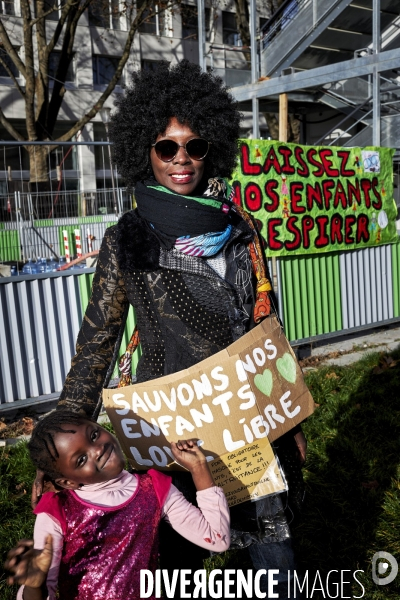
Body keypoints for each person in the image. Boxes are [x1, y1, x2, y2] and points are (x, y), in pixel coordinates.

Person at [32, 59, 306, 598]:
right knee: (175, 565)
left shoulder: (240, 227)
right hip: (172, 427)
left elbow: (264, 323)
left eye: (194, 146)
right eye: (166, 147)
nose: (182, 160)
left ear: (213, 148)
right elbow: (98, 342)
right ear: (145, 151)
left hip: (247, 417)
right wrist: (63, 428)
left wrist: (290, 413)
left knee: (273, 552)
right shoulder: (127, 239)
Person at [8, 410, 230, 600]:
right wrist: (34, 586)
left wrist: (199, 468)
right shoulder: (57, 510)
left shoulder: (155, 487)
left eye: (94, 434)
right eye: (81, 459)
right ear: (67, 482)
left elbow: (217, 539)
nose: (97, 449)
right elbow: (41, 584)